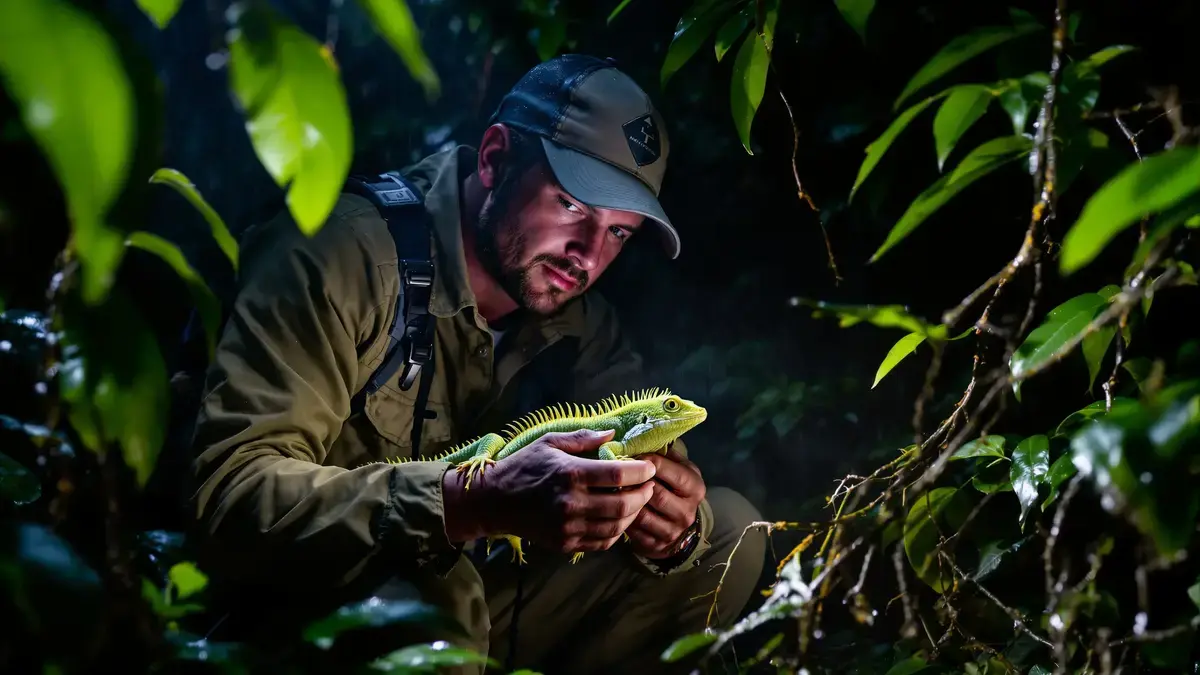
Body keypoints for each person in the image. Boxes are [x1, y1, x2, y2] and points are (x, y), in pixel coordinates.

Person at [186, 54, 766, 674]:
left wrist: (669, 527)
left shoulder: (583, 326)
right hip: (315, 609)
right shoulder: (337, 258)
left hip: (478, 602)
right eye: (572, 205)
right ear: (493, 159)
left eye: (619, 232)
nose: (588, 255)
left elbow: (664, 490)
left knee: (727, 535)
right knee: (442, 604)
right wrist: (471, 501)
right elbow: (230, 498)